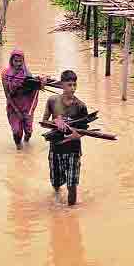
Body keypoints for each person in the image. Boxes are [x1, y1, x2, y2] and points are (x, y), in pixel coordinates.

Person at [42, 70, 88, 206]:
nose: (73, 88)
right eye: (69, 85)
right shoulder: (52, 101)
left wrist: (77, 135)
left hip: (73, 149)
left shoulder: (80, 106)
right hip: (56, 148)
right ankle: (56, 201)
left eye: (75, 85)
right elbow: (44, 122)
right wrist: (56, 121)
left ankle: (71, 213)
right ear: (62, 85)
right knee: (56, 183)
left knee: (72, 185)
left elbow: (84, 129)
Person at [2, 49, 44, 150]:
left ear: (23, 61)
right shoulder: (5, 74)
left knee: (28, 131)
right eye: (15, 61)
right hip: (13, 106)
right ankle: (19, 150)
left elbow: (31, 89)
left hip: (26, 106)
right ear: (11, 60)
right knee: (16, 131)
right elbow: (7, 94)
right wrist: (17, 111)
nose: (18, 64)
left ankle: (26, 142)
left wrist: (39, 83)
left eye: (20, 61)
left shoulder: (27, 74)